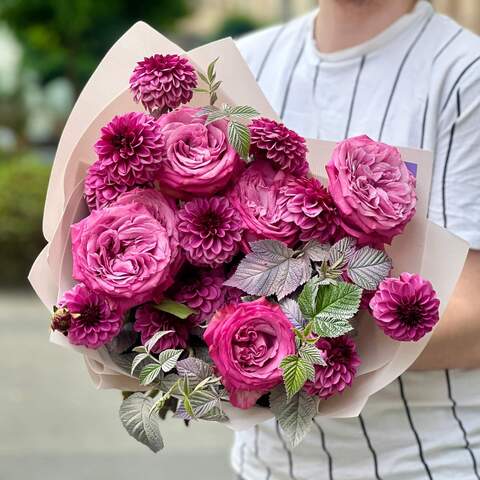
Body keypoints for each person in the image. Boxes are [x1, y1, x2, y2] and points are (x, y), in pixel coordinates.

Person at [233, 1, 480, 478]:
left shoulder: (464, 74)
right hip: (265, 464)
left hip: (423, 461)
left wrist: (266, 345)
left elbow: (472, 318)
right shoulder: (246, 62)